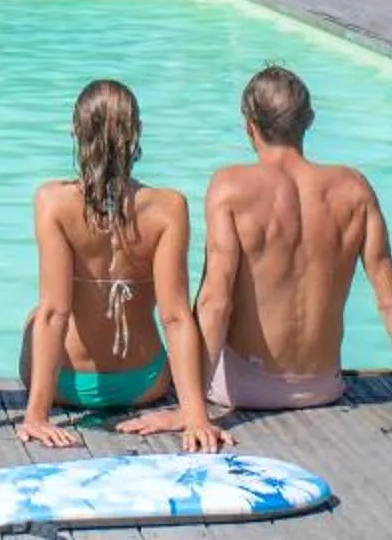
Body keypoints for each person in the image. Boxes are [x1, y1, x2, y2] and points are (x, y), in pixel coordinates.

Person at [146, 63, 392, 429]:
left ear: (249, 125)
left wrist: (191, 411)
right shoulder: (353, 189)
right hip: (321, 386)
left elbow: (215, 302)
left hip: (240, 387)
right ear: (309, 121)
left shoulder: (230, 187)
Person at [14, 79, 232, 452]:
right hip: (145, 383)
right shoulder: (168, 208)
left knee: (37, 314)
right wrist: (196, 417)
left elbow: (55, 313)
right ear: (137, 134)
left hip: (66, 387)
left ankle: (39, 405)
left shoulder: (52, 201)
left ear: (75, 132)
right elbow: (176, 317)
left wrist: (36, 416)